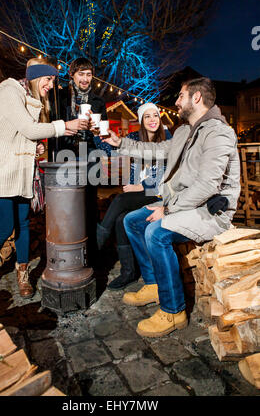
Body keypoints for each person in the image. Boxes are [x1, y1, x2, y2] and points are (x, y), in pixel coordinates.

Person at [103, 77, 241, 337]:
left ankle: (174, 310)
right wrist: (120, 143)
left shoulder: (219, 132)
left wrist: (167, 210)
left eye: (181, 95)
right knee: (131, 220)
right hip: (184, 204)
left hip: (210, 211)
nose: (176, 101)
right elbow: (156, 150)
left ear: (196, 98)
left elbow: (208, 186)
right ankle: (155, 284)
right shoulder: (183, 131)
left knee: (155, 232)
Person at [0, 57, 89, 298]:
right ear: (37, 76)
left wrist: (34, 146)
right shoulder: (10, 90)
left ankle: (22, 273)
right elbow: (26, 128)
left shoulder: (32, 99)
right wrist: (63, 125)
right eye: (48, 79)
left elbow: (22, 134)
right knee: (5, 227)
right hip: (2, 171)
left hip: (23, 171)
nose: (51, 85)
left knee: (23, 225)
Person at [94, 103, 172, 290]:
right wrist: (98, 134)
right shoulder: (134, 137)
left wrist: (141, 185)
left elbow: (167, 173)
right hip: (139, 192)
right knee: (121, 219)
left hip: (159, 192)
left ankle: (95, 248)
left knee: (120, 200)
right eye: (147, 116)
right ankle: (128, 273)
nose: (152, 119)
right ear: (141, 120)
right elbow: (109, 150)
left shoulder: (167, 137)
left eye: (156, 115)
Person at [49, 57, 107, 262]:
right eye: (81, 74)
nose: (85, 78)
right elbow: (53, 123)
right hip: (66, 153)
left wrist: (96, 128)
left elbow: (104, 133)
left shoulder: (98, 101)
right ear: (72, 74)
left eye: (89, 74)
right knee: (68, 202)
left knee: (90, 202)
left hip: (89, 154)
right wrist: (70, 124)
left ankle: (91, 253)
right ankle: (66, 250)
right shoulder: (61, 96)